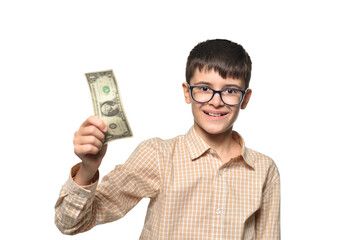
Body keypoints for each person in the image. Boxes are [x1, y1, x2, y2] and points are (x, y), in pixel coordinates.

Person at [55, 39, 280, 239]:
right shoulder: (158, 155)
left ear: (245, 98)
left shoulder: (264, 169)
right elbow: (70, 224)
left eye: (230, 91)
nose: (216, 101)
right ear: (186, 92)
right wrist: (88, 168)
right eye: (204, 88)